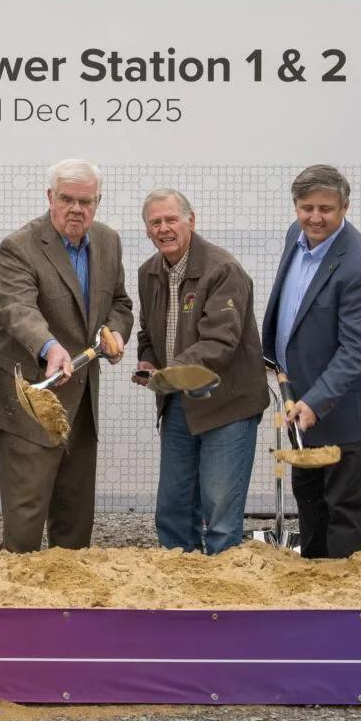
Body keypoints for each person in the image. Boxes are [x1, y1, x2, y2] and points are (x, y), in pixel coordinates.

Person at [0, 158, 133, 553]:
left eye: (87, 201)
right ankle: (19, 606)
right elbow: (17, 310)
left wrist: (116, 330)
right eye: (67, 199)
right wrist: (50, 348)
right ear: (50, 197)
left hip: (81, 401)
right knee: (26, 520)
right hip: (32, 395)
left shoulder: (108, 241)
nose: (76, 209)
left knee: (75, 519)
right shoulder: (20, 246)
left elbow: (120, 302)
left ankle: (68, 610)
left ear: (97, 202)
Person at [261, 165, 361, 559]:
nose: (315, 218)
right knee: (311, 506)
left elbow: (356, 350)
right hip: (302, 406)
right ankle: (312, 598)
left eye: (326, 209)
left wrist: (316, 401)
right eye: (306, 207)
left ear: (345, 207)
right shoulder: (295, 236)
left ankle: (347, 611)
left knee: (345, 515)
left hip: (345, 416)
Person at [130, 188, 265, 553]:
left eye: (171, 219)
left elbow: (220, 341)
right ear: (146, 230)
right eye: (155, 222)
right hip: (178, 404)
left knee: (219, 512)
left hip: (228, 405)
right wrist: (147, 362)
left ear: (192, 220)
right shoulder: (149, 273)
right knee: (172, 510)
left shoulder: (223, 270)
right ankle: (182, 598)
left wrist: (169, 371)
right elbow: (147, 332)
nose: (164, 228)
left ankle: (222, 601)